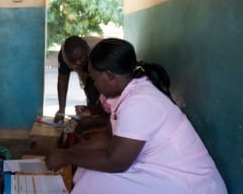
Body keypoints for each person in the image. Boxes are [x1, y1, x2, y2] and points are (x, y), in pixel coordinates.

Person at [45, 38, 227, 193]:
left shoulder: (141, 101)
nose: (94, 84)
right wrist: (67, 152)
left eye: (95, 79)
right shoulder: (128, 94)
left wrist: (67, 157)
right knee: (87, 175)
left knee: (94, 184)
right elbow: (109, 136)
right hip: (160, 168)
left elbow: (116, 161)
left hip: (189, 183)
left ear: (110, 76)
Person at [54, 36, 110, 148]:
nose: (78, 63)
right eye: (73, 61)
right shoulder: (65, 56)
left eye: (82, 58)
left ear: (87, 51)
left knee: (102, 107)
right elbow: (62, 80)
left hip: (102, 77)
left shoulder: (100, 54)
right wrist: (61, 110)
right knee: (93, 104)